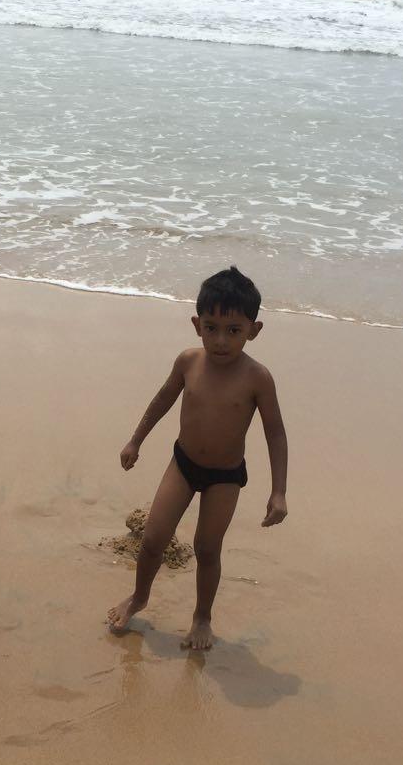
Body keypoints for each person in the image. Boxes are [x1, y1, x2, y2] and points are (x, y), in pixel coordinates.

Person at [106, 267, 289, 649]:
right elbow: (162, 400)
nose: (220, 340)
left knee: (207, 549)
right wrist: (135, 441)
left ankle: (202, 617)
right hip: (183, 464)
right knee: (153, 539)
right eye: (211, 328)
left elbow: (275, 433)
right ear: (196, 324)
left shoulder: (258, 378)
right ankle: (139, 597)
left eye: (234, 330)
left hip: (225, 477)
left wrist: (278, 492)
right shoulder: (188, 362)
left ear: (254, 330)